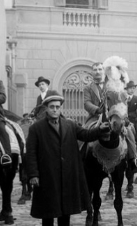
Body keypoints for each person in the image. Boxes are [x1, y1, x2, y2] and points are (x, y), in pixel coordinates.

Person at [26, 90, 110, 226]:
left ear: (60, 108)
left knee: (65, 214)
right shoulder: (36, 128)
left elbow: (86, 135)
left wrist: (100, 129)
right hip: (48, 178)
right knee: (48, 214)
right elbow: (31, 153)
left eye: (57, 107)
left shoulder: (70, 125)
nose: (55, 110)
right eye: (51, 107)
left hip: (67, 177)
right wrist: (33, 175)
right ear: (46, 108)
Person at [84, 62, 105, 127]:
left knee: (128, 131)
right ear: (92, 72)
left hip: (111, 116)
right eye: (95, 70)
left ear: (104, 71)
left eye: (100, 69)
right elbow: (86, 103)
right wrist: (97, 109)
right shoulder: (88, 88)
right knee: (85, 132)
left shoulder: (111, 86)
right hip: (94, 117)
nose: (97, 72)